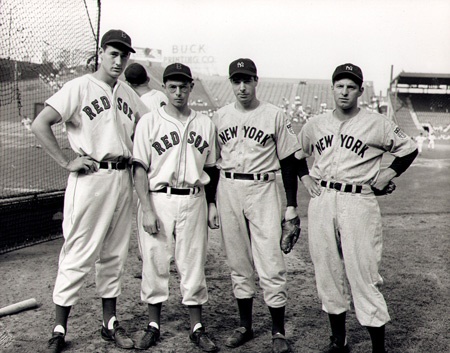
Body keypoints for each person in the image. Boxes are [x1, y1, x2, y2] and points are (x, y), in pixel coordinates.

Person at [31, 29, 149, 353]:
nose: (119, 59)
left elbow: (150, 124)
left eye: (124, 55)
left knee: (114, 254)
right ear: (101, 52)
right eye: (113, 53)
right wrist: (65, 161)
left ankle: (109, 324)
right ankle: (59, 328)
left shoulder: (126, 92)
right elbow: (41, 123)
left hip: (122, 178)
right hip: (92, 177)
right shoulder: (79, 87)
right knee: (78, 252)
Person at [296, 63, 418, 353]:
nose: (345, 91)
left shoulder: (378, 123)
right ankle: (340, 341)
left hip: (358, 200)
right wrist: (304, 177)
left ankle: (378, 349)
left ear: (360, 91)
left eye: (351, 87)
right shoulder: (315, 124)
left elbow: (409, 147)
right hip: (323, 198)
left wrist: (388, 173)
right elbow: (294, 154)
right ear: (332, 88)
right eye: (340, 86)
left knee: (364, 274)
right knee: (326, 272)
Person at [209, 58, 303, 353]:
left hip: (263, 187)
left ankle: (278, 330)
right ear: (231, 83)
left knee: (271, 260)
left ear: (255, 81)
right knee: (238, 260)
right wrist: (211, 200)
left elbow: (289, 160)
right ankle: (245, 326)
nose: (242, 86)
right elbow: (212, 165)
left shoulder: (274, 114)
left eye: (246, 80)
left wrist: (291, 205)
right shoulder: (219, 116)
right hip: (228, 188)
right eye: (236, 81)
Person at [132, 63, 218, 352]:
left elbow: (211, 168)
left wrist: (212, 203)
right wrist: (146, 209)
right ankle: (153, 326)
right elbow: (140, 168)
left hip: (194, 199)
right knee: (155, 262)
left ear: (191, 87)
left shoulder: (205, 123)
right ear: (164, 88)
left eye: (183, 86)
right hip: (159, 198)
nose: (178, 92)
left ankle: (197, 327)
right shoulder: (149, 122)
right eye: (172, 86)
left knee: (193, 263)